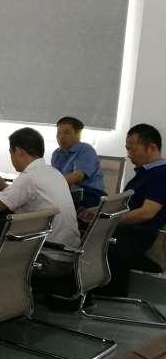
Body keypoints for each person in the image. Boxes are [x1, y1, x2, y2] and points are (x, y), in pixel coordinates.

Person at [0, 127, 80, 289]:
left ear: (18, 151)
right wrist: (3, 185)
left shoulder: (29, 177)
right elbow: (25, 196)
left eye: (10, 152)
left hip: (46, 258)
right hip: (68, 255)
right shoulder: (52, 172)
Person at [101, 124, 166, 296]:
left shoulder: (161, 174)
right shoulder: (145, 174)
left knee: (90, 245)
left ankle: (96, 296)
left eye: (132, 149)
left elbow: (147, 212)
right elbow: (125, 204)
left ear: (151, 148)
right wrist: (98, 210)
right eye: (127, 149)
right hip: (127, 234)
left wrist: (110, 219)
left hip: (139, 240)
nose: (129, 154)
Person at [50, 116, 106, 209]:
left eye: (67, 133)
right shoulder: (57, 154)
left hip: (91, 194)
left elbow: (77, 176)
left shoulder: (85, 149)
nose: (61, 137)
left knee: (53, 203)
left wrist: (50, 184)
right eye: (58, 133)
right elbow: (55, 177)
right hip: (68, 193)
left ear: (78, 134)